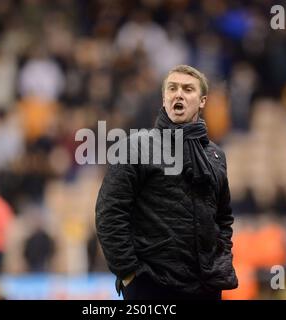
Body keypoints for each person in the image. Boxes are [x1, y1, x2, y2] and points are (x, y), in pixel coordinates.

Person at [95, 65, 238, 300]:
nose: (178, 94)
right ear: (164, 98)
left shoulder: (216, 156)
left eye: (187, 89)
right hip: (150, 286)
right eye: (172, 88)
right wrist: (130, 273)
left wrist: (218, 261)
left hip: (205, 287)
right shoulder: (135, 147)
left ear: (202, 101)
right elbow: (109, 213)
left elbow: (223, 218)